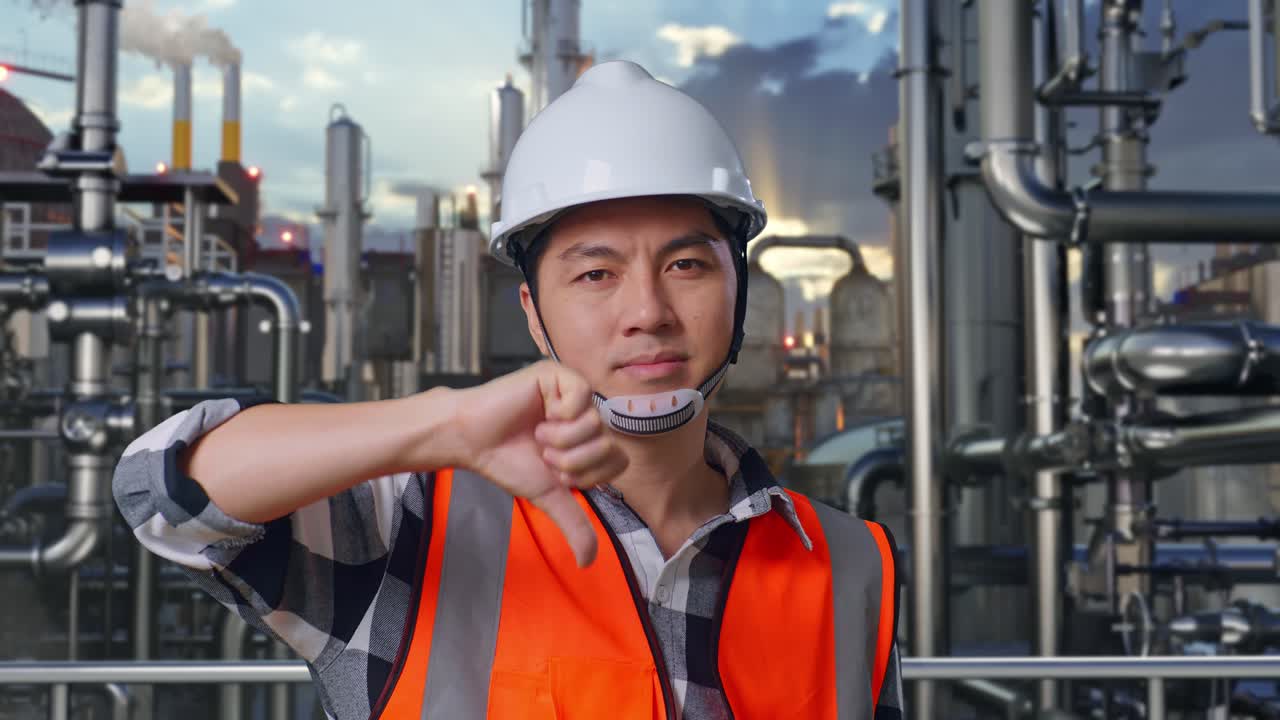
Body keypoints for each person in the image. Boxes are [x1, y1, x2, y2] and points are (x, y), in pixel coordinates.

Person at [113, 60, 903, 720]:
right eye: (596, 274)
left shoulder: (848, 564)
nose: (648, 313)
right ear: (533, 312)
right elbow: (164, 495)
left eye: (687, 265)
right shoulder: (408, 528)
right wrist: (441, 423)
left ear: (741, 289)